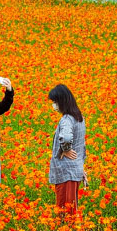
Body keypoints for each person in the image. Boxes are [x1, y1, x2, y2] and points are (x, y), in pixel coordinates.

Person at [47, 83, 87, 215]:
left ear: (62, 101)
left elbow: (66, 137)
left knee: (65, 209)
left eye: (54, 102)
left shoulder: (67, 119)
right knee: (72, 206)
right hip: (75, 169)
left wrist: (65, 149)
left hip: (66, 172)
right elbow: (82, 145)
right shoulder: (79, 117)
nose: (54, 105)